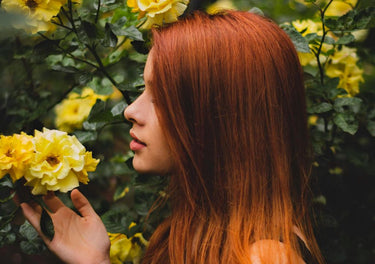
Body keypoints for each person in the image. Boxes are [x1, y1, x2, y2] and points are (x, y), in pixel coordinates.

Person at [21, 10, 325, 264]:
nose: (130, 111)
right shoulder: (195, 232)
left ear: (221, 115)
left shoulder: (266, 256)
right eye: (144, 90)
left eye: (162, 97)